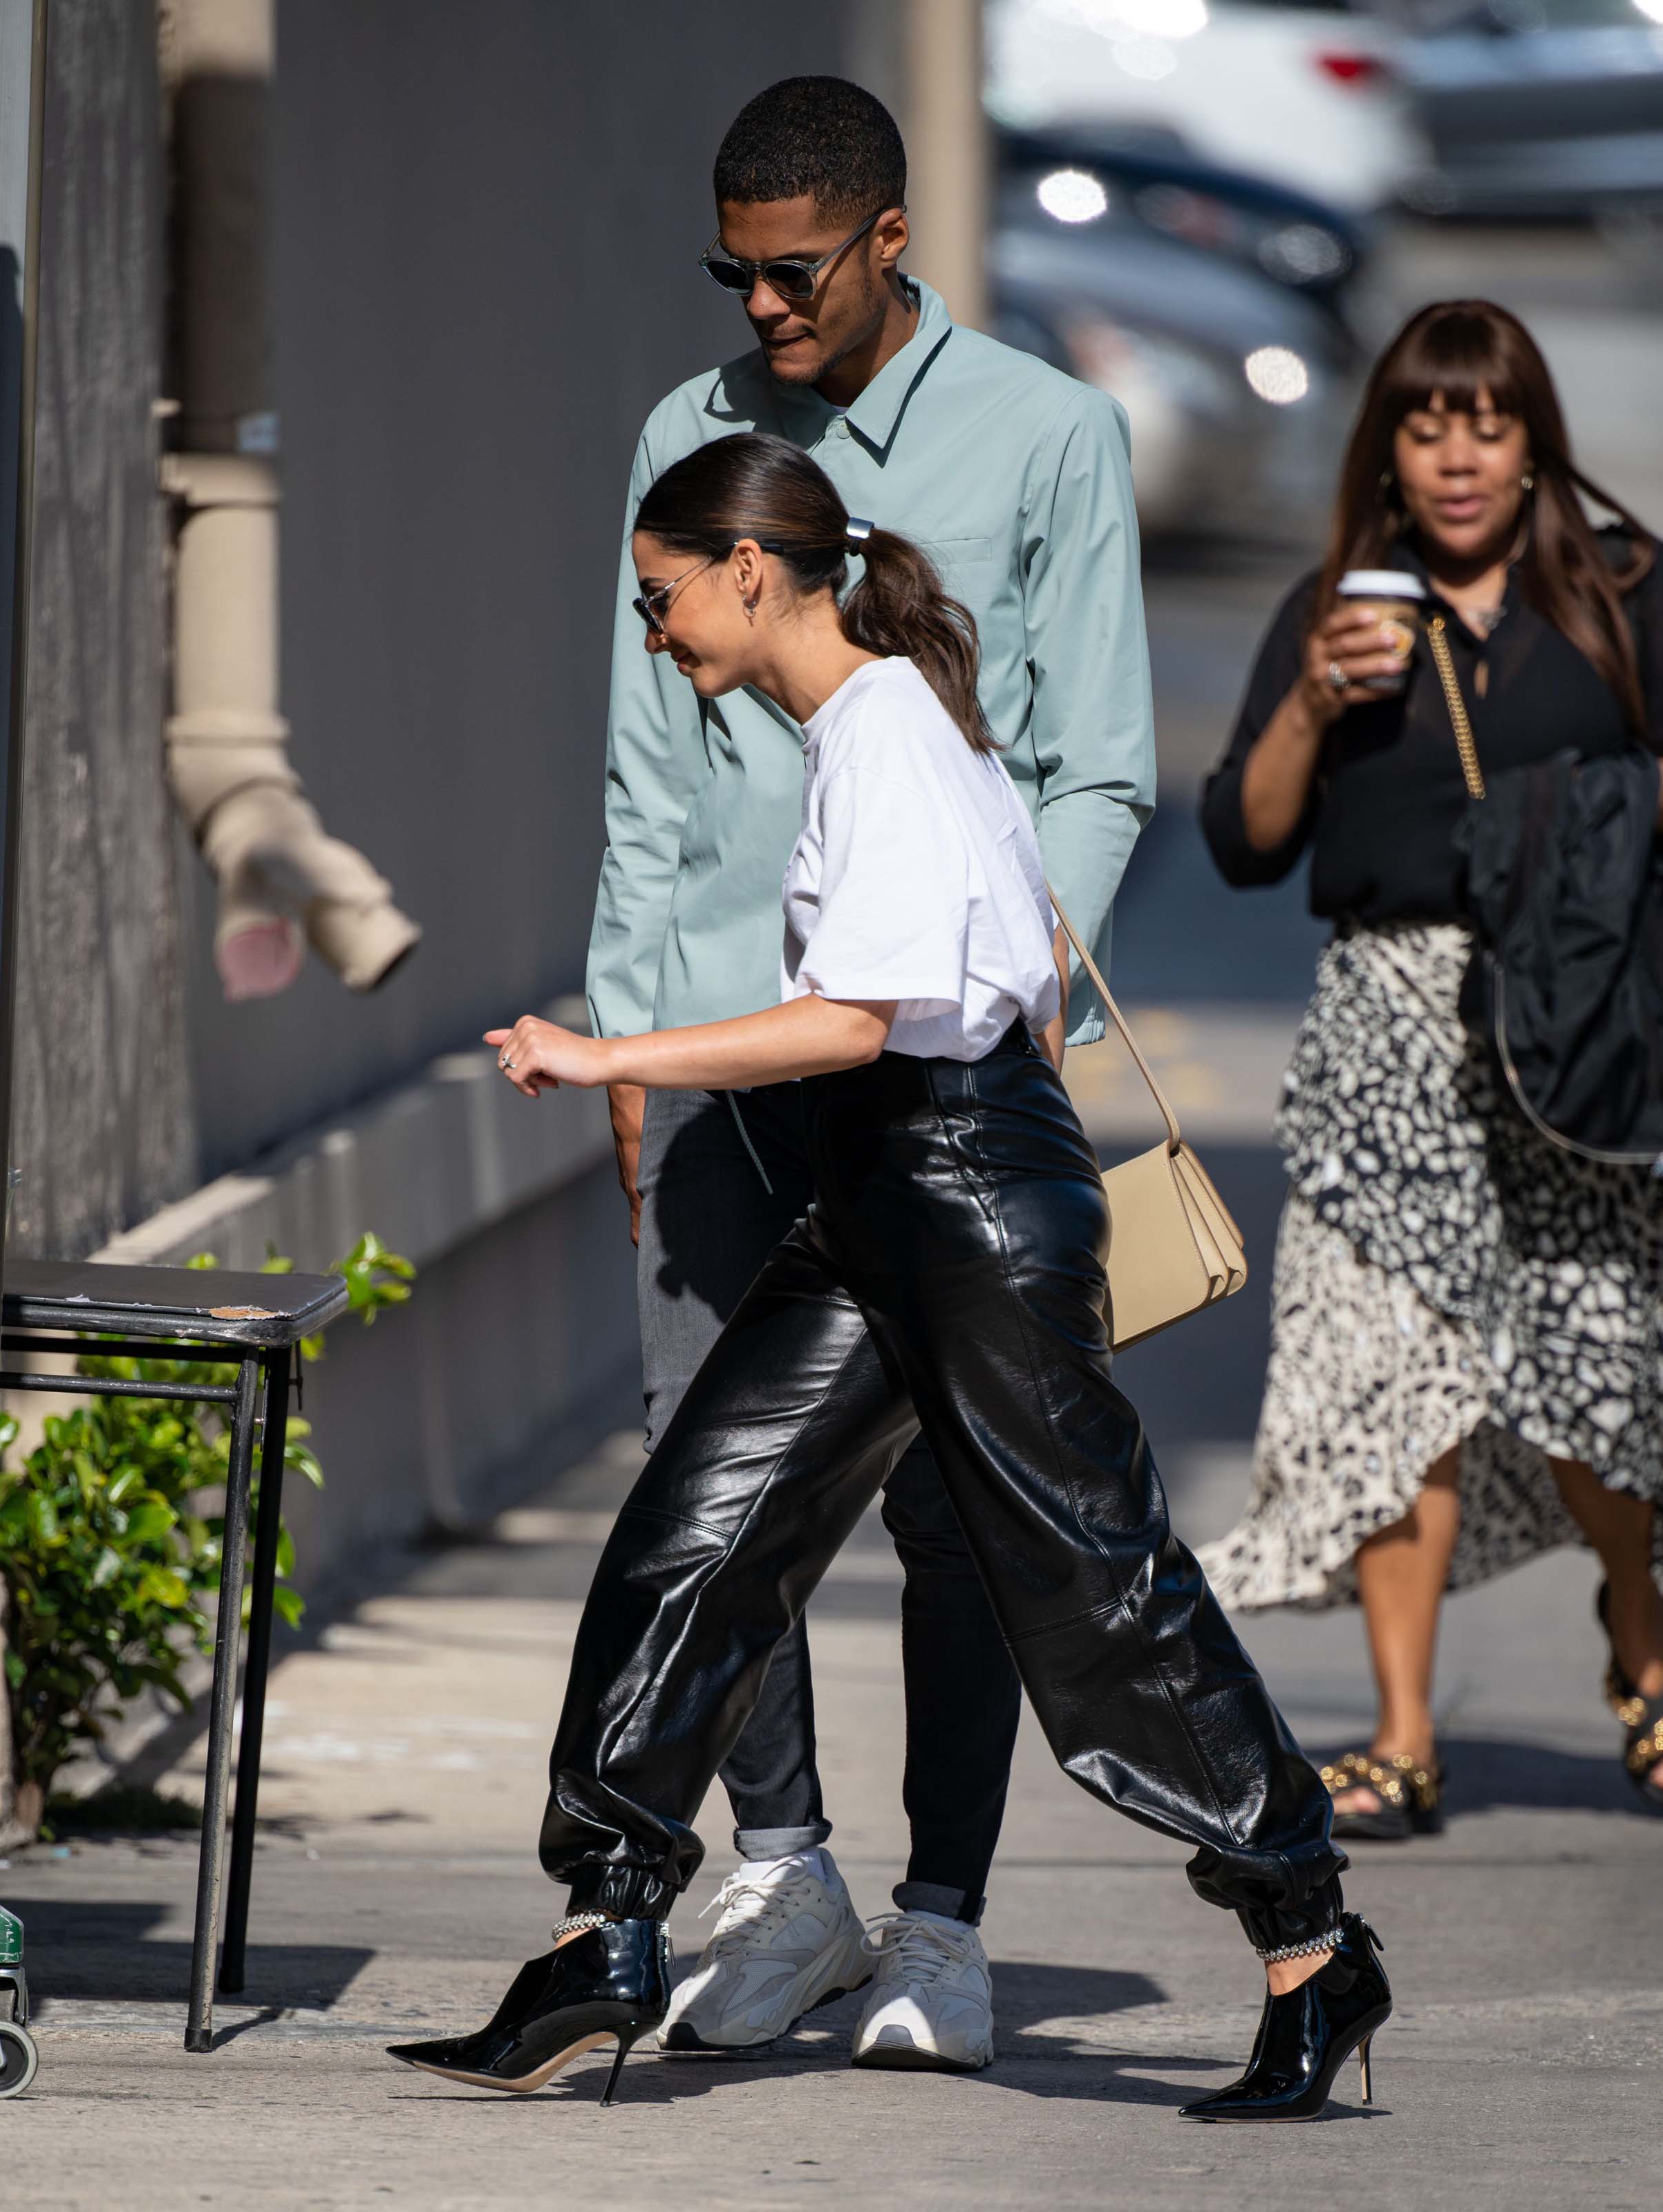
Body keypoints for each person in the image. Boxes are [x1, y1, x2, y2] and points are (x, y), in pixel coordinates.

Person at [388, 432, 1387, 2119]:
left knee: (1095, 1592)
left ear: (751, 571)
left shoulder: (890, 739)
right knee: (696, 1528)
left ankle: (1308, 1935)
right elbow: (1002, 966)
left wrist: (606, 1050)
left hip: (972, 1198)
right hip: (878, 1197)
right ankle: (607, 1929)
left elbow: (859, 1016)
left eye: (663, 600)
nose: (657, 638)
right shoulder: (873, 731)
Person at [583, 77, 1156, 2068]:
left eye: (795, 269)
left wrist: (1015, 1009)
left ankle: (942, 1920)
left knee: (956, 1512)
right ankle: (792, 1872)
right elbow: (648, 775)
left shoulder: (1049, 436)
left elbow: (1096, 768)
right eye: (732, 273)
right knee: (711, 1489)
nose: (762, 308)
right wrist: (629, 1041)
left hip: (931, 1077)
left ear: (891, 237)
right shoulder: (686, 438)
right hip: (734, 1065)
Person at [1198, 299, 1663, 1839]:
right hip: (1385, 1037)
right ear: (1386, 452)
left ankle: (1642, 1638)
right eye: (1424, 424)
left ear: (1533, 442)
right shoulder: (1333, 607)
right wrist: (1319, 701)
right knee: (1398, 1385)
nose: (1458, 455)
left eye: (1487, 422)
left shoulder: (1621, 598)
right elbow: (1243, 842)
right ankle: (1402, 1737)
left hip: (1577, 1038)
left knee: (1593, 1372)